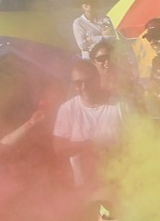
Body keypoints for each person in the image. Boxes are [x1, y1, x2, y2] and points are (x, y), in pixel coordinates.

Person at [53, 62, 126, 190]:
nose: (84, 87)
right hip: (85, 188)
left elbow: (138, 140)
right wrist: (88, 145)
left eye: (88, 81)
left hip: (122, 182)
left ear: (97, 79)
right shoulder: (67, 110)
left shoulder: (120, 105)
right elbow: (58, 148)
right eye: (77, 83)